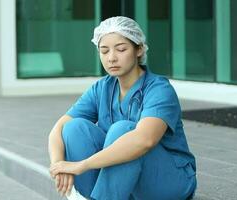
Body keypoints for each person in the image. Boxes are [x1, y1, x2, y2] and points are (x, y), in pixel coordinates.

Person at [48, 16, 197, 200]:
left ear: (139, 50)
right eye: (104, 51)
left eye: (121, 49)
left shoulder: (159, 89)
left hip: (168, 181)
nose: (111, 58)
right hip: (121, 184)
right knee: (73, 128)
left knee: (123, 130)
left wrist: (82, 165)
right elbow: (58, 129)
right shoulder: (102, 88)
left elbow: (144, 140)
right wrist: (59, 166)